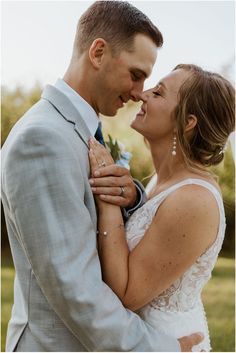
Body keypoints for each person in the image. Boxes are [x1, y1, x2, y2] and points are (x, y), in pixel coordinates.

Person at [1, 1, 203, 352]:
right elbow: (75, 291)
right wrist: (164, 348)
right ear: (98, 52)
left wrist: (133, 197)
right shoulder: (43, 138)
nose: (140, 92)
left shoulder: (81, 130)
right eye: (136, 74)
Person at [88, 64, 235, 352]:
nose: (142, 95)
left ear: (188, 121)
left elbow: (128, 294)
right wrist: (129, 198)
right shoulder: (161, 182)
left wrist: (107, 199)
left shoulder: (194, 199)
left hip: (169, 342)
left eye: (158, 93)